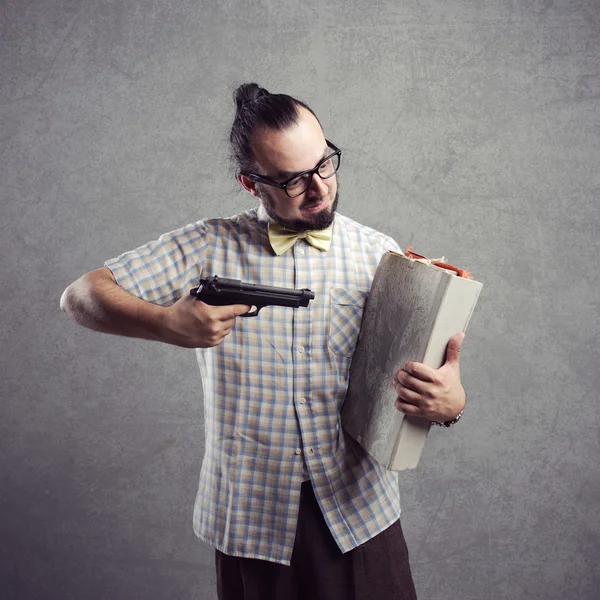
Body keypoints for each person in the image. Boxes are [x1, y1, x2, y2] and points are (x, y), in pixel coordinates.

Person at [60, 83, 467, 600]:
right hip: (252, 523)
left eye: (324, 164)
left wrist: (450, 403)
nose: (319, 188)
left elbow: (430, 377)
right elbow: (79, 296)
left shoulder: (380, 254)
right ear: (251, 184)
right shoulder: (207, 245)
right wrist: (165, 324)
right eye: (294, 180)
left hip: (361, 516)